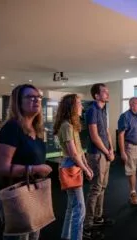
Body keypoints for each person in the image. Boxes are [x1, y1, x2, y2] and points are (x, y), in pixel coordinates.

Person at [0, 84, 53, 240]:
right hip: (16, 194)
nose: (36, 100)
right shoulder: (12, 128)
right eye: (30, 97)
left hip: (34, 191)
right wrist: (34, 168)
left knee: (34, 234)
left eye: (38, 97)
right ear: (18, 102)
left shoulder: (36, 129)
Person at [53, 94, 93, 240]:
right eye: (78, 103)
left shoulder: (71, 125)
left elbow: (79, 149)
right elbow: (73, 154)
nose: (81, 106)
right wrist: (86, 168)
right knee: (80, 208)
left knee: (73, 206)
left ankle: (66, 236)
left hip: (73, 165)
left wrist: (86, 164)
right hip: (71, 166)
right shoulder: (67, 126)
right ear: (71, 106)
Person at [84, 83, 115, 238]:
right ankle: (87, 225)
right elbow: (94, 136)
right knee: (95, 188)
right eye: (104, 92)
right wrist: (106, 152)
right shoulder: (91, 111)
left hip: (105, 153)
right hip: (96, 154)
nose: (107, 94)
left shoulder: (103, 110)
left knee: (102, 187)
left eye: (107, 91)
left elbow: (107, 132)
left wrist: (111, 149)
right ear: (96, 95)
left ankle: (98, 217)